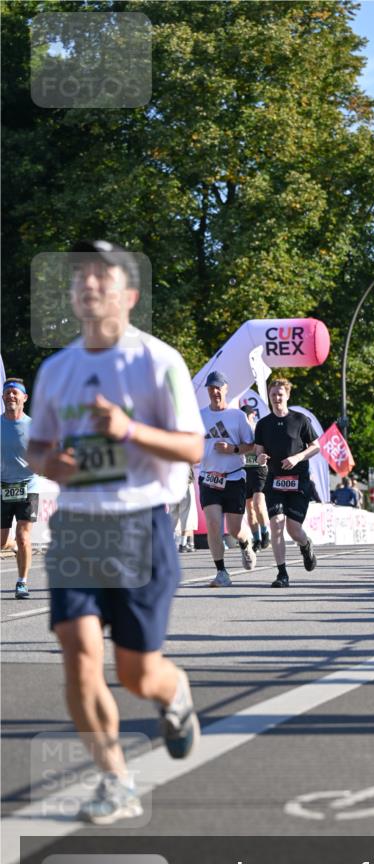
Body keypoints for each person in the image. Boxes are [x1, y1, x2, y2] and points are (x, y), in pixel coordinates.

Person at [26, 239, 205, 825]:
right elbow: (40, 451)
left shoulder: (157, 362)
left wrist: (129, 430)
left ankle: (173, 692)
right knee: (78, 659)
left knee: (136, 674)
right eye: (79, 276)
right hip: (78, 526)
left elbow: (193, 446)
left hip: (140, 525)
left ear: (128, 295)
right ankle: (115, 780)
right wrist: (57, 466)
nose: (88, 284)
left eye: (102, 276)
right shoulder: (57, 370)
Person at [254, 378, 320, 588]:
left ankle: (305, 543)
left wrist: (297, 458)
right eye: (273, 394)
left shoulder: (300, 420)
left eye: (280, 394)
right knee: (276, 525)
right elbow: (258, 452)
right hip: (274, 482)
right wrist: (261, 459)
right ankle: (282, 574)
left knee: (294, 530)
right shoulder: (263, 424)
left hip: (298, 481)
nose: (276, 398)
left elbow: (316, 447)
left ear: (287, 395)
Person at [199, 371, 257, 586]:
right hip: (209, 478)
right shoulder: (200, 416)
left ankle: (245, 543)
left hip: (233, 478)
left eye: (218, 388)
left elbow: (250, 446)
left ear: (225, 389)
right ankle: (222, 572)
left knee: (234, 529)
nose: (214, 392)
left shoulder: (237, 417)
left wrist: (232, 449)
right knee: (213, 524)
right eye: (210, 388)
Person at [1, 377, 39, 598]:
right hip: (2, 485)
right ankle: (14, 545)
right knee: (3, 541)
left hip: (28, 485)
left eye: (15, 392)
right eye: (7, 392)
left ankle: (22, 582)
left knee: (24, 535)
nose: (11, 395)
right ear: (3, 397)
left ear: (24, 397)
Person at [240, 404, 270, 552]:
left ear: (253, 416)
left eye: (248, 416)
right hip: (245, 470)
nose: (246, 419)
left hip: (259, 469)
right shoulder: (239, 430)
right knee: (250, 510)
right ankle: (256, 538)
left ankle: (265, 532)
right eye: (243, 416)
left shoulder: (259, 428)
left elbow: (264, 446)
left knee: (258, 504)